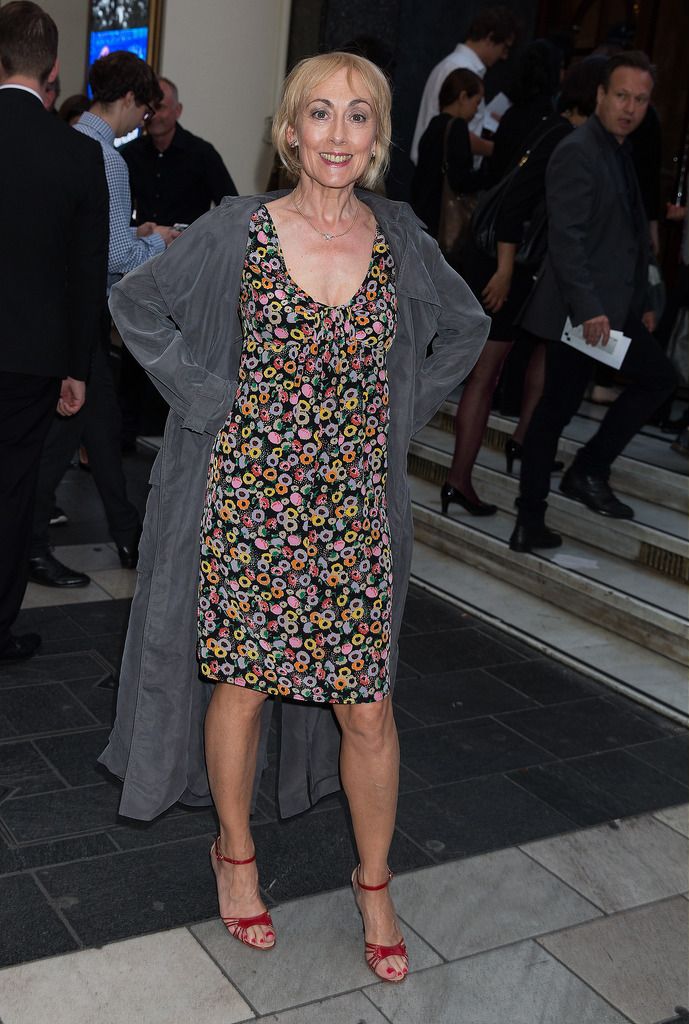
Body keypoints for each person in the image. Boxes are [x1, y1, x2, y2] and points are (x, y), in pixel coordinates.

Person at [99, 51, 489, 980]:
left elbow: (464, 327)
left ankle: (376, 880)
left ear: (377, 135)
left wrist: (398, 413)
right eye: (320, 114)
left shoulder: (399, 237)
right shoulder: (240, 229)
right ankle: (235, 856)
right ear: (289, 130)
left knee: (368, 709)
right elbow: (134, 299)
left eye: (359, 116)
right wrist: (203, 397)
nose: (339, 134)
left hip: (353, 507)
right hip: (248, 498)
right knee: (242, 688)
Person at [510, 52, 677, 553]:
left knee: (557, 409)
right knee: (647, 383)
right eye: (621, 96)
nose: (630, 107)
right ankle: (574, 480)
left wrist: (642, 298)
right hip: (581, 312)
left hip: (606, 307)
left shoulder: (618, 149)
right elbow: (568, 239)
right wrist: (591, 310)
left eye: (641, 100)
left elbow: (627, 236)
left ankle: (542, 509)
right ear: (600, 95)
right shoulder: (578, 149)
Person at [28, 50, 179, 588]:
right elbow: (114, 256)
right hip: (82, 313)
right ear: (133, 100)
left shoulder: (69, 135)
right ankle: (34, 543)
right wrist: (160, 246)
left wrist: (137, 237)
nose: (144, 123)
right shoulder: (108, 158)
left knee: (99, 422)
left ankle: (125, 532)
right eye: (145, 111)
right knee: (71, 435)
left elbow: (84, 236)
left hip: (55, 308)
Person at [442, 58, 605, 515]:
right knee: (485, 375)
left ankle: (519, 444)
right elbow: (514, 204)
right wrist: (506, 271)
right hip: (505, 263)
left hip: (524, 267)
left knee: (533, 355)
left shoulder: (552, 129)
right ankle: (459, 479)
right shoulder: (563, 138)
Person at [0, 0, 107, 656]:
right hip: (34, 358)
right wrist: (78, 368)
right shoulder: (77, 154)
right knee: (12, 490)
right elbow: (84, 276)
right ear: (55, 70)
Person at [121, 75, 238, 227]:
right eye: (149, 108)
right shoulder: (132, 153)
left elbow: (232, 207)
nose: (153, 115)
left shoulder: (202, 153)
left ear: (178, 110)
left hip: (191, 248)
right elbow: (120, 210)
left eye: (160, 107)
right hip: (144, 247)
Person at [410, 6, 520, 166]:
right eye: (504, 48)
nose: (504, 56)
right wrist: (499, 149)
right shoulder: (461, 70)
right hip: (442, 175)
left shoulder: (456, 65)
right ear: (490, 38)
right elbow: (457, 132)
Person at [410, 67, 484, 239]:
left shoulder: (433, 125)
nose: (476, 110)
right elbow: (460, 179)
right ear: (463, 97)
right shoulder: (457, 128)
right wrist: (485, 177)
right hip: (443, 219)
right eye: (477, 102)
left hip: (422, 216)